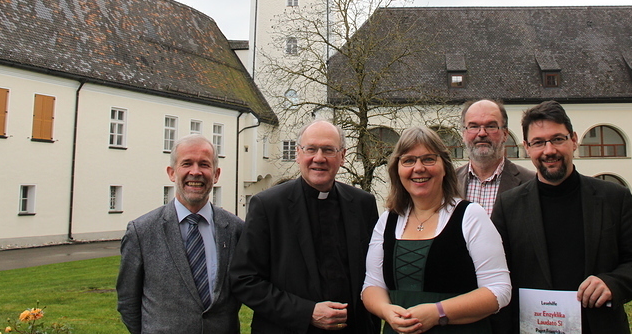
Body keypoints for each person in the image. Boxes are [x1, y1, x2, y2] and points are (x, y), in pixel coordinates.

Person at [491, 101, 632, 334]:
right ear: (527, 147)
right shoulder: (508, 205)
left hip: (599, 327)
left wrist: (613, 283)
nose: (549, 150)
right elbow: (496, 274)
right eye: (538, 142)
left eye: (558, 139)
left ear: (574, 140)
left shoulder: (614, 198)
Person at [230, 120, 380, 333]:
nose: (319, 158)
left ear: (342, 156)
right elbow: (244, 280)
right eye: (311, 149)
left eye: (328, 150)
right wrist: (307, 312)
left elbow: (374, 275)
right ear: (298, 154)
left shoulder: (363, 204)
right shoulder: (268, 206)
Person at [362, 126, 511, 333]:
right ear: (397, 170)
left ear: (445, 167)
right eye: (408, 160)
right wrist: (386, 311)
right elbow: (372, 285)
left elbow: (499, 290)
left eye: (428, 159)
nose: (418, 168)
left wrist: (437, 312)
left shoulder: (470, 216)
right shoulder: (388, 220)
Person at [116, 134, 244, 334]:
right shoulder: (142, 232)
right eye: (187, 163)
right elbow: (127, 301)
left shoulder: (235, 229)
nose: (196, 172)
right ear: (172, 173)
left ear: (216, 174)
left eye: (204, 164)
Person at [456, 100, 535, 216]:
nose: (482, 133)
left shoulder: (530, 183)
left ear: (505, 134)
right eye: (474, 126)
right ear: (463, 134)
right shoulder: (447, 182)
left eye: (491, 126)